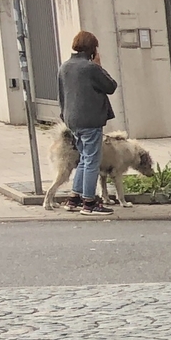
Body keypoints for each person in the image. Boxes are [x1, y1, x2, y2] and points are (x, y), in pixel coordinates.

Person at [58, 31, 119, 215]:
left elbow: (61, 95)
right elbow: (111, 86)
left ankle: (74, 198)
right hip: (90, 120)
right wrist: (99, 66)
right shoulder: (90, 68)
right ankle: (89, 202)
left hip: (72, 120)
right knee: (92, 160)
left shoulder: (65, 67)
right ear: (92, 49)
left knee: (84, 158)